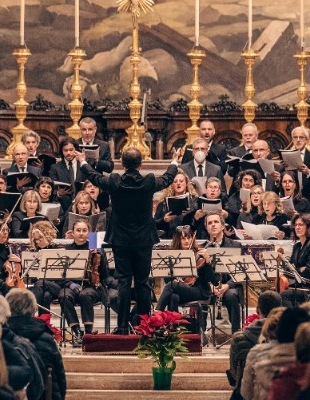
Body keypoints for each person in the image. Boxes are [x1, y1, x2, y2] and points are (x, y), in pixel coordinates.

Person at [76, 146, 179, 333]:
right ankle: (144, 326)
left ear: (122, 164)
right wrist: (174, 161)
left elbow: (95, 178)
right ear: (140, 164)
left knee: (123, 282)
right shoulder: (147, 181)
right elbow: (167, 179)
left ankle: (122, 327)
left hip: (121, 239)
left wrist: (83, 161)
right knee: (142, 282)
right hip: (143, 239)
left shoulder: (115, 181)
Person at [5, 289, 66, 400]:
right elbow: (60, 378)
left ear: (7, 309)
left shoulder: (2, 337)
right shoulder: (46, 339)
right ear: (33, 310)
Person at [58, 219, 107, 342]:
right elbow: (59, 275)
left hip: (91, 286)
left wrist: (102, 256)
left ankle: (88, 331)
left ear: (89, 233)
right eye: (78, 230)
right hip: (71, 286)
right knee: (64, 295)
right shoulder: (67, 249)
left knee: (85, 294)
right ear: (72, 233)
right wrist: (70, 284)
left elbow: (104, 275)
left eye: (84, 230)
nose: (81, 233)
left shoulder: (93, 246)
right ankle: (76, 331)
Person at [203, 212, 243, 332]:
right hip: (210, 288)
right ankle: (201, 333)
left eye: (216, 222)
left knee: (231, 295)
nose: (213, 225)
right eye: (210, 223)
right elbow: (200, 275)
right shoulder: (203, 248)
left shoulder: (236, 246)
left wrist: (227, 286)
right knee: (200, 294)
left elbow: (240, 272)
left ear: (222, 226)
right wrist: (210, 286)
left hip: (229, 287)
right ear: (206, 228)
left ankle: (236, 333)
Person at [280, 213, 310, 307]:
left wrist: (296, 269)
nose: (297, 227)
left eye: (301, 225)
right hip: (297, 286)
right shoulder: (297, 246)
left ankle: (294, 320)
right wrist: (300, 269)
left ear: (309, 227)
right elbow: (288, 270)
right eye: (295, 225)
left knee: (283, 296)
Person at [288, 126, 310, 202]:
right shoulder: (288, 156)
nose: (298, 140)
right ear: (292, 140)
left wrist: (308, 172)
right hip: (292, 196)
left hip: (309, 196)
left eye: (301, 137)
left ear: (306, 140)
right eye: (295, 137)